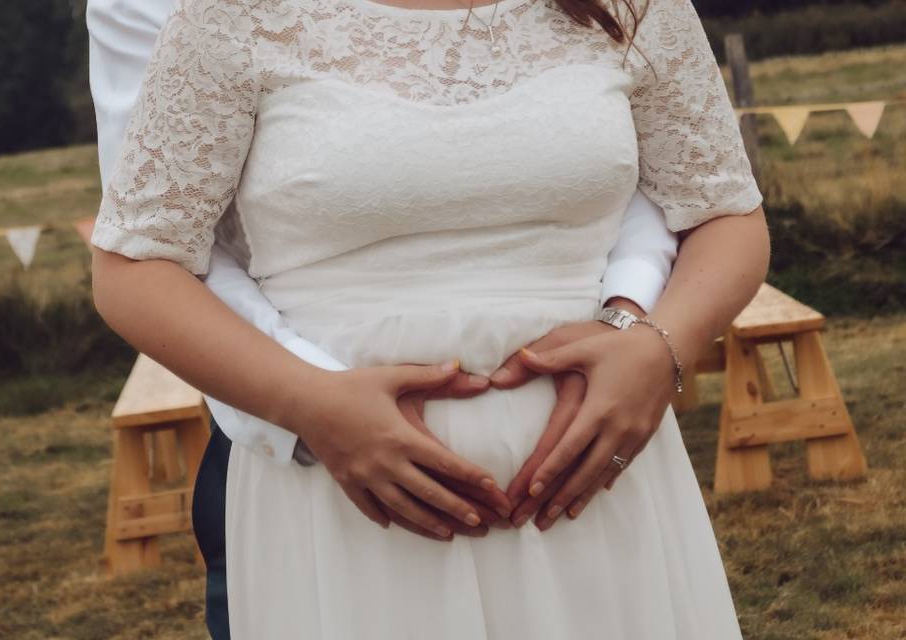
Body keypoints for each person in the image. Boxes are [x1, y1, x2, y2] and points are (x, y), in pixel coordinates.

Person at [87, 0, 770, 636]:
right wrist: (311, 405)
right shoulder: (230, 16)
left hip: (597, 485)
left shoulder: (632, 5)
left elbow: (725, 211)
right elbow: (135, 267)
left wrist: (657, 348)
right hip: (352, 500)